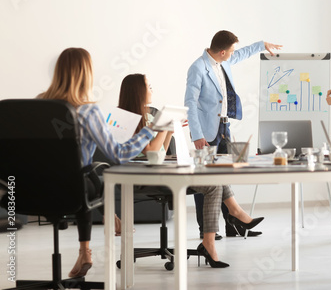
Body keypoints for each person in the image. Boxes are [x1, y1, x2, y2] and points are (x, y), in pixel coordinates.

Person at [119, 73, 264, 268]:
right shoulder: (124, 119)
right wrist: (164, 127)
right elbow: (150, 151)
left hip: (160, 169)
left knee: (213, 176)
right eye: (148, 86)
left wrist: (170, 129)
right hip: (142, 177)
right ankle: (226, 222)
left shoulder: (151, 114)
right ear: (137, 91)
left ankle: (218, 231)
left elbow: (161, 150)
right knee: (212, 185)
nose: (152, 89)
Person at [39, 48, 156, 278]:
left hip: (33, 188)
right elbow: (119, 155)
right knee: (89, 174)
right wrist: (148, 132)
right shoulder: (87, 111)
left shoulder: (38, 106)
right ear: (86, 74)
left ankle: (86, 250)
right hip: (74, 189)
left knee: (83, 175)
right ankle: (89, 244)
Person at [184, 30, 281, 238]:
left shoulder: (223, 61)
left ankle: (233, 225)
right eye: (231, 51)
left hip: (224, 127)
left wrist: (262, 44)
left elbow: (242, 53)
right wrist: (196, 134)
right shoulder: (198, 68)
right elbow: (190, 103)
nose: (233, 54)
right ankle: (206, 229)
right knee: (205, 181)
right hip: (206, 132)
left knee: (225, 175)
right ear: (221, 51)